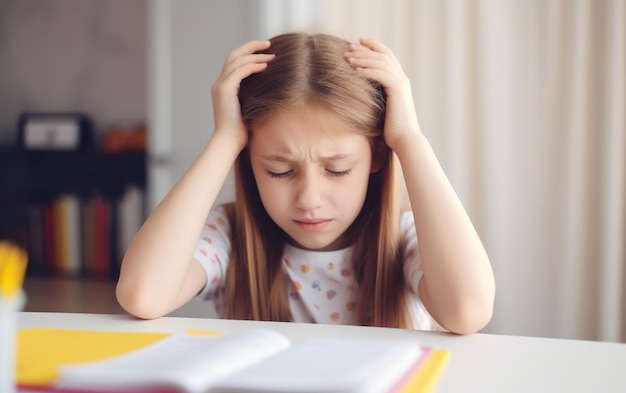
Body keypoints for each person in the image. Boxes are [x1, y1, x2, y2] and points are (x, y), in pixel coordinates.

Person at [116, 32, 495, 334]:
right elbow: (143, 296)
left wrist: (409, 139)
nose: (309, 200)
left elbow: (467, 311)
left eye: (337, 170)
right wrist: (225, 140)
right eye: (280, 171)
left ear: (377, 156)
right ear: (249, 160)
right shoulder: (229, 235)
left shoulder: (407, 240)